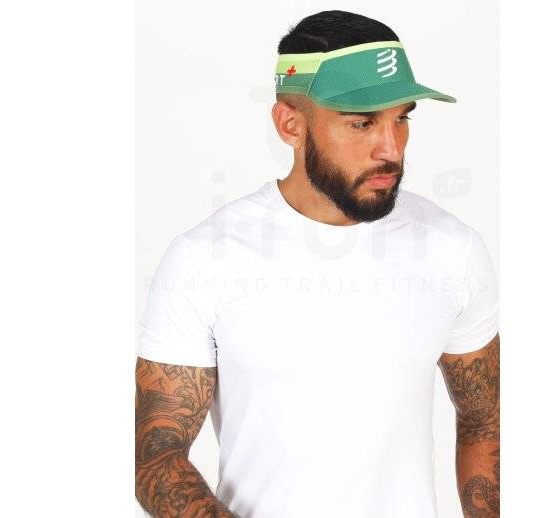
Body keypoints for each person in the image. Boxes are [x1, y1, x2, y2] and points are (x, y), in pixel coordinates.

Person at [135, 10, 499, 518]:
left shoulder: (450, 248)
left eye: (402, 118)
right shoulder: (206, 258)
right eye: (362, 122)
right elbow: (156, 457)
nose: (391, 148)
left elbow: (486, 421)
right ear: (291, 124)